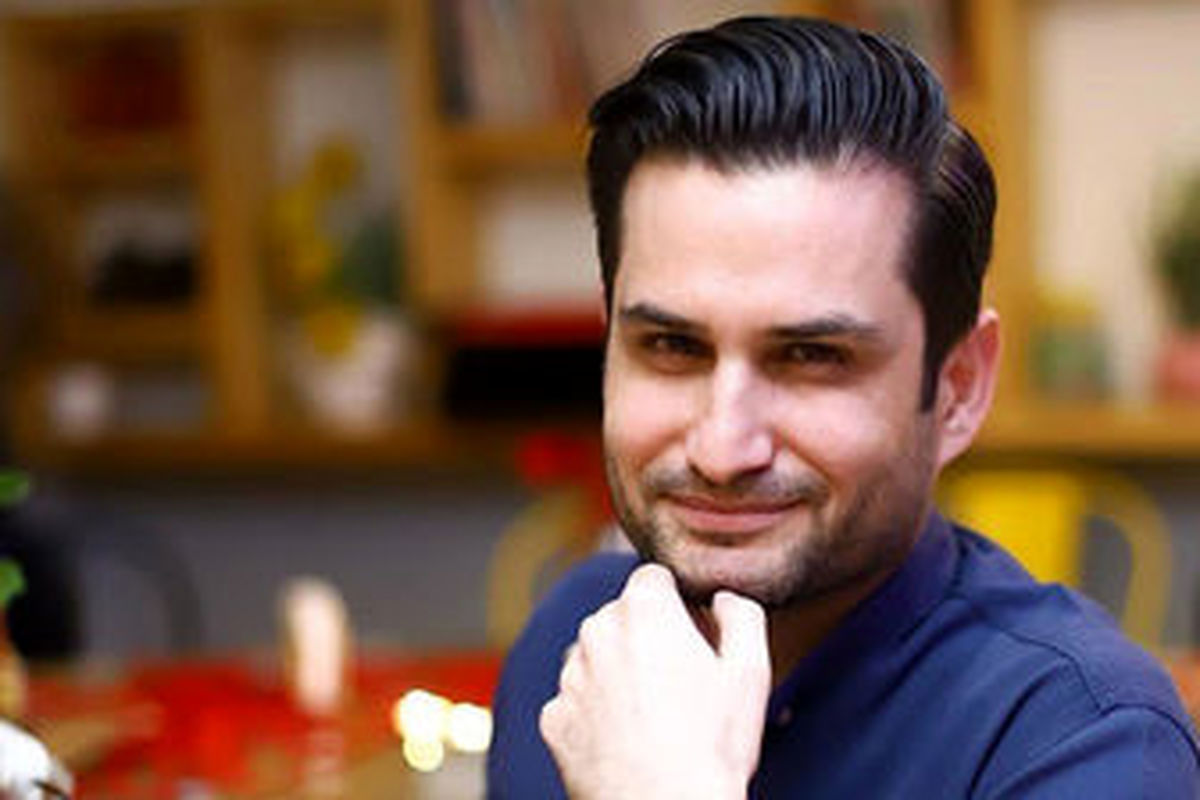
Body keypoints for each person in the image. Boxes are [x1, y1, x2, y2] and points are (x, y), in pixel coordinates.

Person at [486, 15, 1199, 799]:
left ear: (958, 387)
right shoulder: (577, 648)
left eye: (811, 357)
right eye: (670, 346)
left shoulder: (1087, 741)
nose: (722, 449)